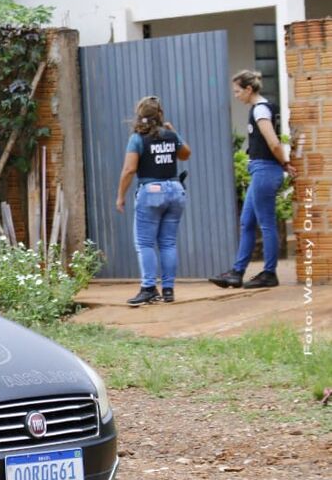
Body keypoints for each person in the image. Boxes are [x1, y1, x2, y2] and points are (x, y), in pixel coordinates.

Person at [209, 70, 297, 289]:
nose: (236, 95)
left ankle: (269, 273)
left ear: (249, 89)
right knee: (247, 222)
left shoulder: (260, 111)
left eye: (238, 91)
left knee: (266, 224)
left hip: (265, 170)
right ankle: (236, 273)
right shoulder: (262, 108)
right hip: (261, 170)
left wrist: (285, 163)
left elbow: (273, 143)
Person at [115, 96, 191, 305]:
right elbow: (186, 154)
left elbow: (130, 169)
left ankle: (148, 288)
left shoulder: (137, 138)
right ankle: (168, 290)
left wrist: (121, 196)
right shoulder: (170, 135)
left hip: (152, 191)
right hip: (175, 190)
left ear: (139, 116)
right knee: (168, 243)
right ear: (160, 115)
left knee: (145, 243)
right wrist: (175, 132)